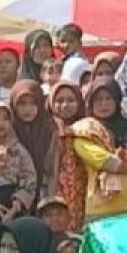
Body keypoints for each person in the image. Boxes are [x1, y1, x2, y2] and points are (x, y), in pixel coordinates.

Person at [71, 80, 127, 222]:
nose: (103, 104)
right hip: (99, 209)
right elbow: (105, 161)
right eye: (98, 100)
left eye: (108, 98)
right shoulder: (84, 131)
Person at [0, 100, 38, 225]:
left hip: (12, 204)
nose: (1, 124)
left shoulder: (17, 149)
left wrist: (15, 207)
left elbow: (29, 178)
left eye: (6, 119)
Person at [8, 80, 59, 203]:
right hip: (13, 194)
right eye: (22, 104)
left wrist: (49, 198)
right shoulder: (8, 129)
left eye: (33, 104)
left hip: (43, 191)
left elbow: (53, 168)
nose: (27, 109)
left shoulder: (49, 128)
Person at [49, 80, 87, 224]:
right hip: (54, 192)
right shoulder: (47, 128)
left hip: (81, 191)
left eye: (71, 100)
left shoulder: (87, 128)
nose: (65, 105)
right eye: (59, 100)